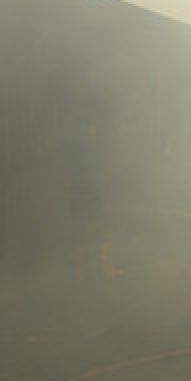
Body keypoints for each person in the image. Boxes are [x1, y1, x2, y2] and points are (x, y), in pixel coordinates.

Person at [67, 119, 123, 281]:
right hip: (91, 197)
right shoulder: (88, 151)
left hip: (77, 197)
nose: (95, 131)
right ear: (87, 129)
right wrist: (102, 196)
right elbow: (94, 178)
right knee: (102, 231)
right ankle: (106, 269)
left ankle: (79, 273)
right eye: (92, 128)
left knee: (80, 234)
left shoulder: (75, 150)